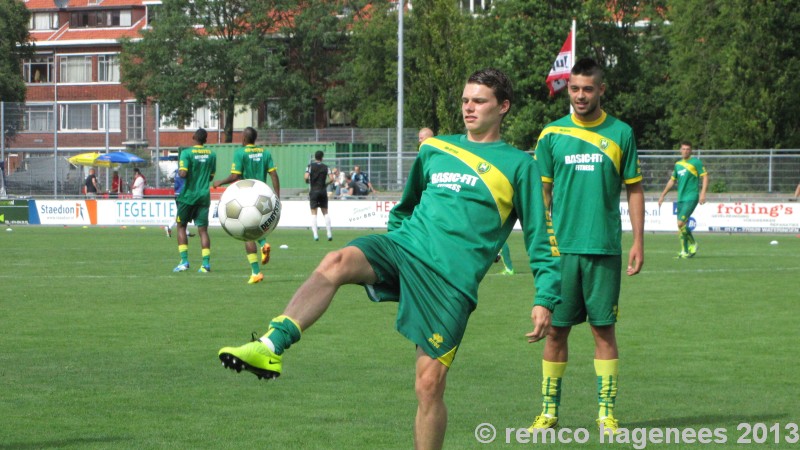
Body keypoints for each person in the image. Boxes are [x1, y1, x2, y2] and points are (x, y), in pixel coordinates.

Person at [218, 68, 561, 450]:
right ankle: (270, 346)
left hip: (449, 284)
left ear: (503, 107)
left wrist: (544, 297)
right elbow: (406, 205)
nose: (469, 107)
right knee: (337, 260)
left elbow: (541, 239)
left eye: (479, 101)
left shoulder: (520, 166)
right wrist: (399, 238)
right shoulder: (436, 149)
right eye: (465, 100)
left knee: (428, 386)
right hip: (405, 249)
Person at [530, 58, 644, 435]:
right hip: (561, 252)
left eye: (588, 89)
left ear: (601, 90)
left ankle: (606, 414)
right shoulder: (550, 134)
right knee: (556, 332)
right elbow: (541, 194)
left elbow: (634, 189)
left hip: (604, 248)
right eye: (574, 89)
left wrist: (638, 241)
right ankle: (549, 412)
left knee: (603, 331)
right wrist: (544, 243)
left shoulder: (621, 133)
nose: (580, 96)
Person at [212, 127, 280, 284]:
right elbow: (274, 174)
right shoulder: (265, 152)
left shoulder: (240, 153)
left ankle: (256, 272)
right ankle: (263, 243)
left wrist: (220, 182)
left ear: (243, 138)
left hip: (246, 198)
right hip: (262, 198)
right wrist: (276, 197)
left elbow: (235, 176)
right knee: (257, 227)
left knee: (246, 232)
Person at [173, 128, 217, 273]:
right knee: (203, 231)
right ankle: (205, 264)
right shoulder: (212, 155)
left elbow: (183, 173)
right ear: (206, 139)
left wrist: (180, 171)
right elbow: (211, 177)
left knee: (181, 226)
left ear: (193, 137)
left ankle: (184, 262)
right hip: (204, 196)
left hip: (188, 196)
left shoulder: (186, 153)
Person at [657, 141, 708, 258]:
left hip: (691, 197)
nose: (685, 151)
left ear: (691, 151)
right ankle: (684, 251)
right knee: (680, 225)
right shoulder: (678, 164)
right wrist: (662, 195)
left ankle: (694, 244)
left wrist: (703, 193)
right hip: (680, 198)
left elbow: (705, 176)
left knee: (680, 223)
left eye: (688, 149)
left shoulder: (696, 162)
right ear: (680, 150)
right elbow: (672, 181)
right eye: (683, 149)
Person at [304, 150, 334, 242]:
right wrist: (326, 184)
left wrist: (308, 181)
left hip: (313, 191)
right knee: (325, 212)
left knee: (314, 213)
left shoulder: (310, 166)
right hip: (322, 190)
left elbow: (306, 177)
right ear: (322, 157)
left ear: (315, 157)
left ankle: (315, 235)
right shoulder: (326, 167)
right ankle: (329, 233)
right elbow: (332, 179)